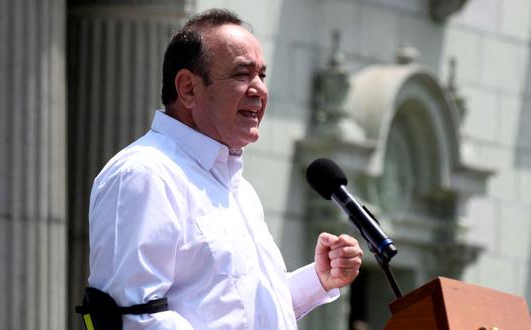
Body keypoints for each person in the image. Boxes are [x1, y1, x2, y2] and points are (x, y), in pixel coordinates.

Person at [87, 8, 363, 329]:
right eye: (242, 74)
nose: (259, 89)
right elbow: (134, 317)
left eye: (262, 75)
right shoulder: (145, 174)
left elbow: (241, 310)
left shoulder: (239, 189)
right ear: (188, 88)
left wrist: (318, 280)